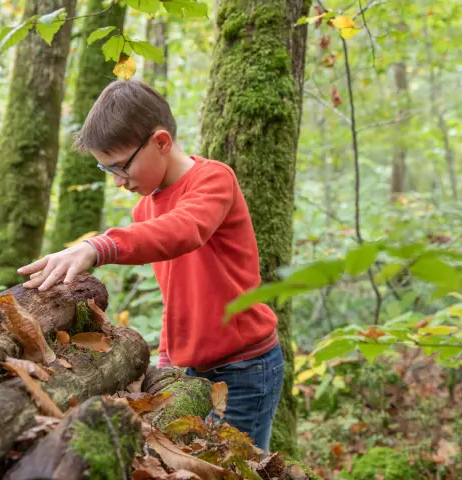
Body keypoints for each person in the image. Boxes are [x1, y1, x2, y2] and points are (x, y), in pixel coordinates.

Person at [17, 79, 284, 452]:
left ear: (161, 142)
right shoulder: (144, 208)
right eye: (107, 170)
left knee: (236, 467)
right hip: (191, 370)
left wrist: (100, 246)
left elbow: (184, 230)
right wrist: (167, 360)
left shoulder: (212, 181)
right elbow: (175, 293)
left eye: (121, 167)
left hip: (245, 369)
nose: (119, 182)